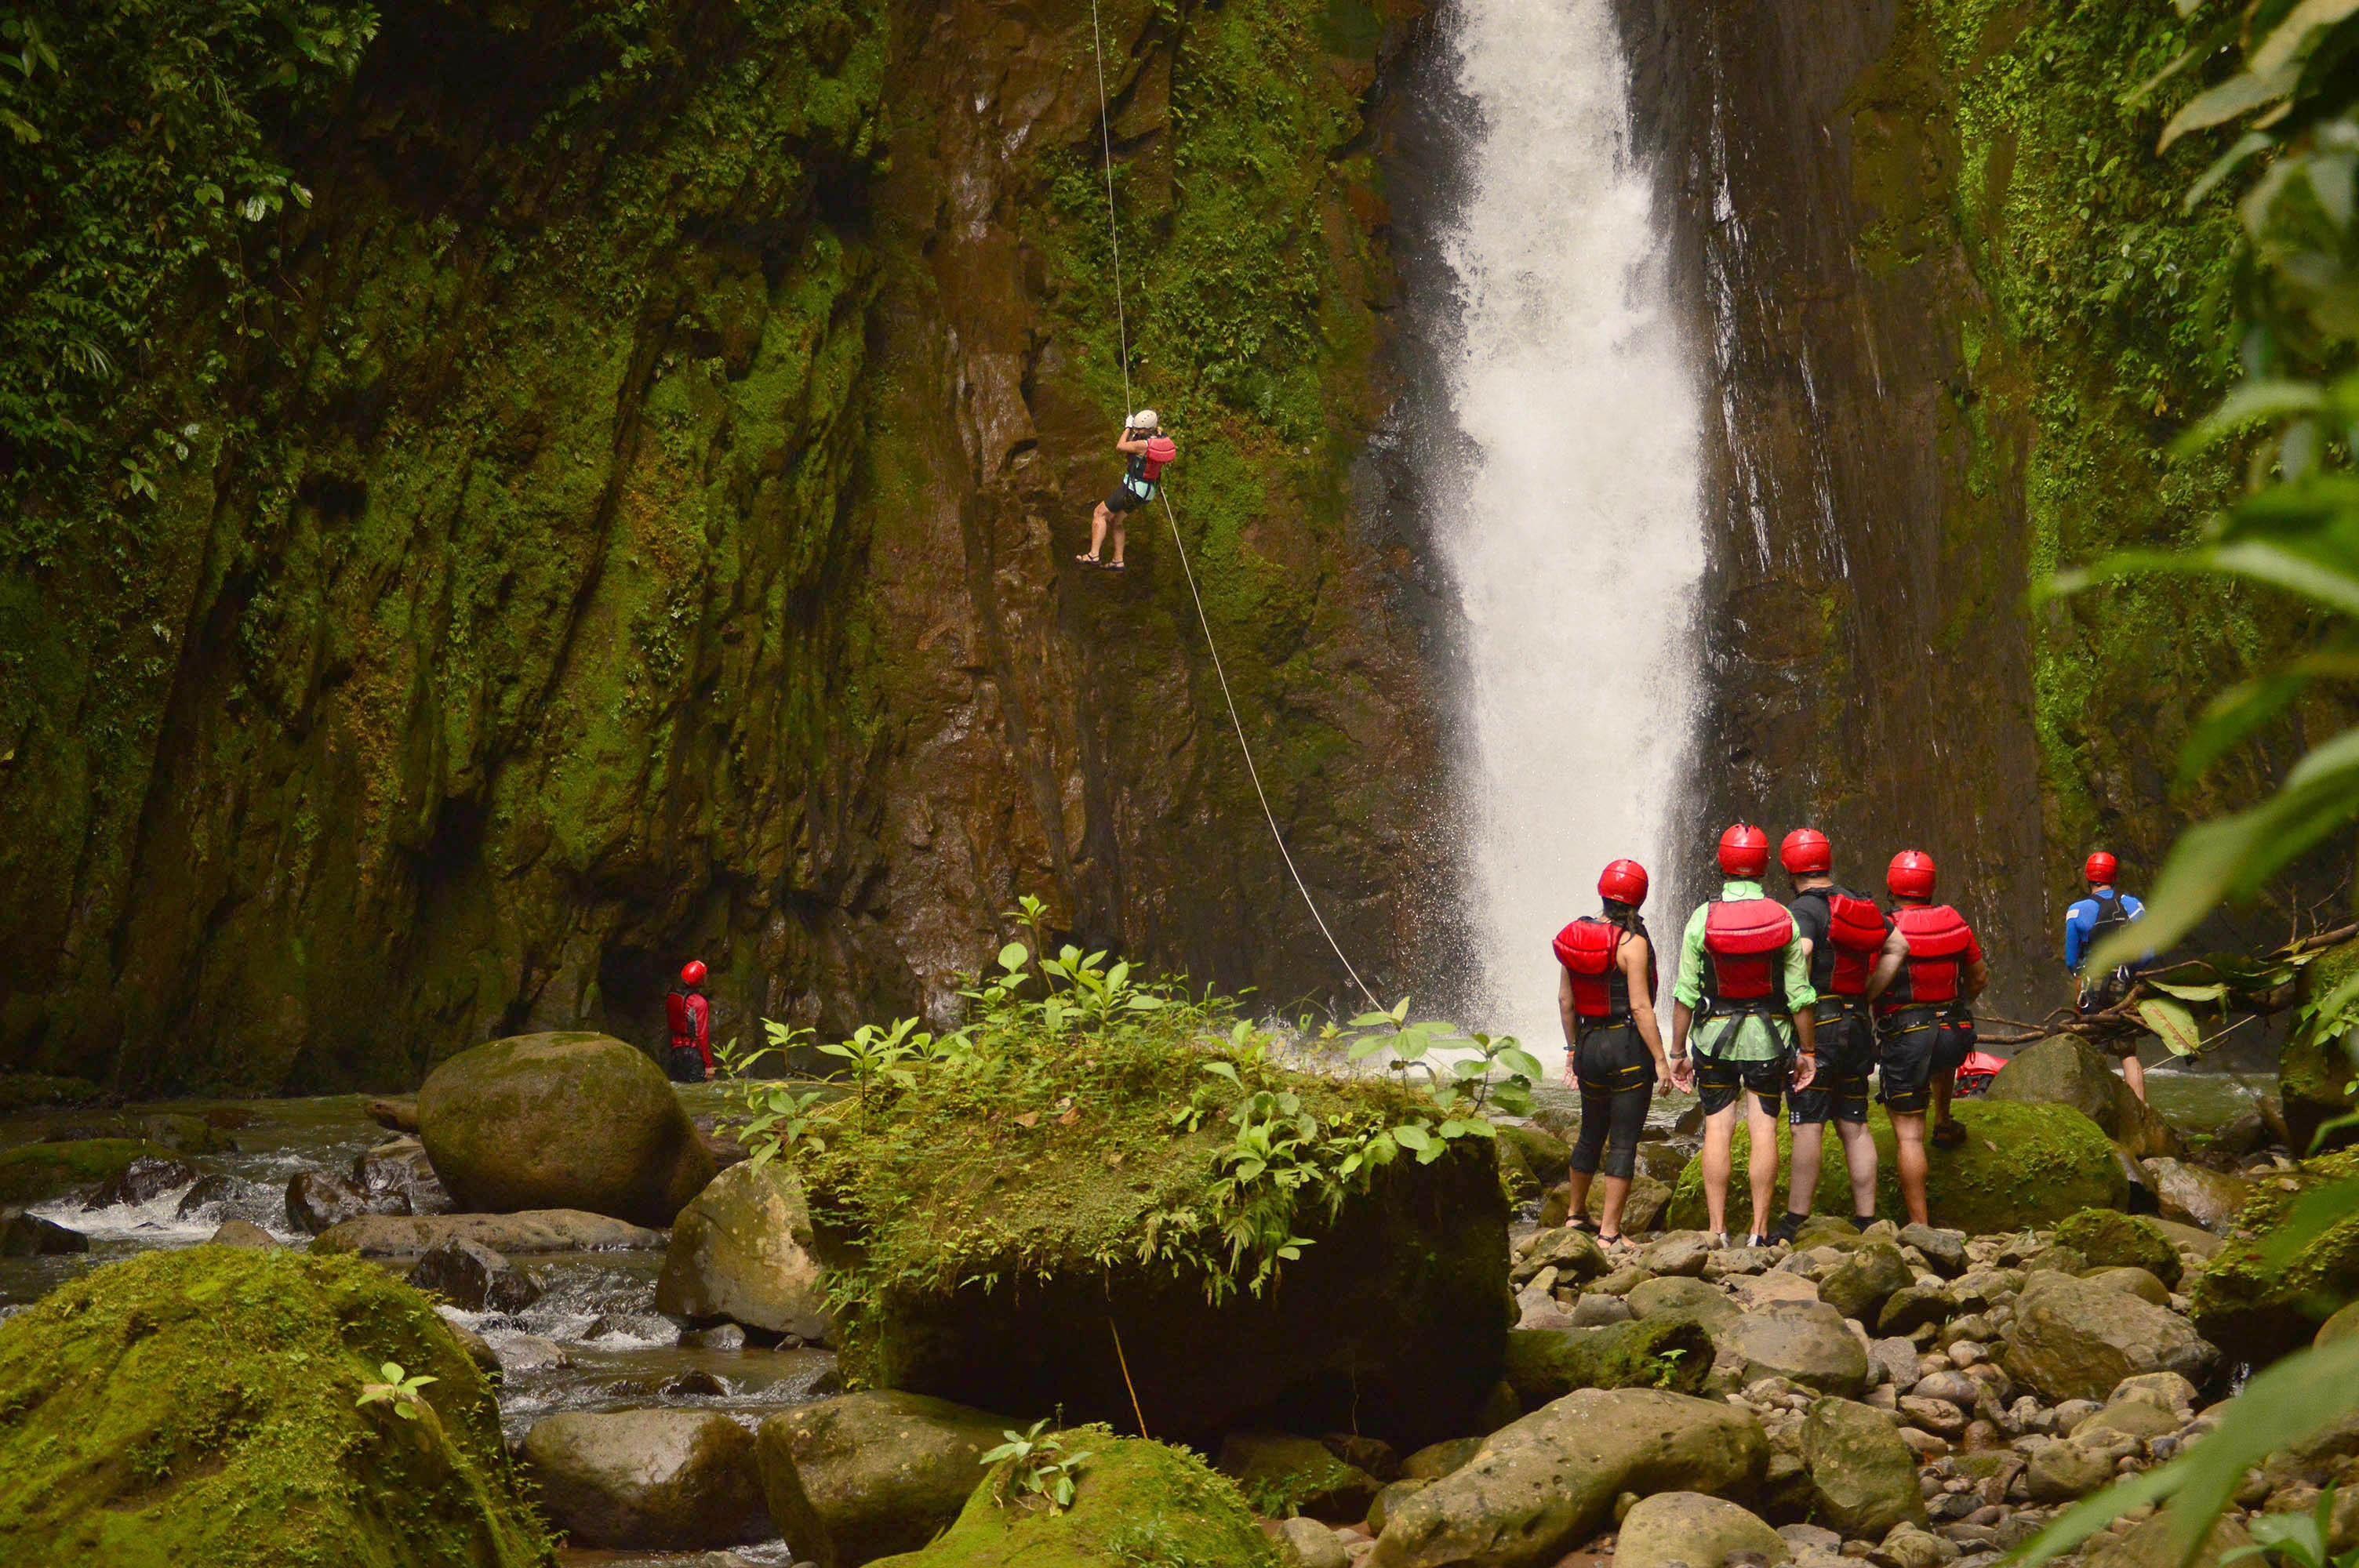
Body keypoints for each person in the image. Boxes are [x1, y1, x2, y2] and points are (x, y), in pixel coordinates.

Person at [1668, 823, 1817, 1248]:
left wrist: (1678, 1051)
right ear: (1766, 865)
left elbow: (1684, 993)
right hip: (1770, 1041)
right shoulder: (1782, 916)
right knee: (1763, 1129)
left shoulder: (1703, 917)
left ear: (1722, 863)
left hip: (1713, 1039)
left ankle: (1717, 1231)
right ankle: (1759, 1231)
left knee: (1717, 1129)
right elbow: (1800, 996)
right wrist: (1807, 1050)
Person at [1766, 828, 1910, 1241]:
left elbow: (1804, 953)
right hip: (1857, 1022)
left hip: (1821, 1022)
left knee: (1807, 1122)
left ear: (1791, 867)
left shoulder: (1803, 909)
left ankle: (1795, 1220)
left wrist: (1793, 1000)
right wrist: (1867, 993)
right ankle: (1866, 1220)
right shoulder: (1859, 902)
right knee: (1855, 1122)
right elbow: (1898, 944)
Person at [1552, 858, 1671, 1247]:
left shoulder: (1574, 936)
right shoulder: (1631, 944)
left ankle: (1574, 1215)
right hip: (1625, 1046)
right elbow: (1640, 1007)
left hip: (1588, 1043)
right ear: (1639, 899)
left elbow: (1565, 1000)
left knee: (1590, 1132)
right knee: (1622, 1140)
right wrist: (1659, 1058)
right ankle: (1609, 1233)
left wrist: (1572, 1049)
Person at [1875, 851, 1989, 1226]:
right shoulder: (1954, 921)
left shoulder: (1885, 927)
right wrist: (1960, 1004)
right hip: (1954, 1033)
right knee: (1939, 1052)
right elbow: (1978, 977)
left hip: (1908, 1034)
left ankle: (1920, 1226)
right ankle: (1944, 1120)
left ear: (1892, 884)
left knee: (1909, 1137)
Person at [2066, 850, 2150, 1101]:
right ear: (2114, 876)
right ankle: (2141, 1109)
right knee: (2127, 1051)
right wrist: (2131, 970)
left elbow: (2072, 960)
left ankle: (2094, 1108)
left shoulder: (2077, 911)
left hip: (2092, 990)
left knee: (2092, 1048)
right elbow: (2149, 951)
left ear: (2088, 877)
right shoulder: (2134, 907)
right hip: (2124, 987)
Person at [1077, 412, 1176, 572]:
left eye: (1139, 429)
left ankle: (1093, 555)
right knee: (1117, 521)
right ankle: (1118, 560)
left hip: (1132, 489)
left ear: (1146, 429)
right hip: (1146, 491)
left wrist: (1128, 427)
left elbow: (1120, 446)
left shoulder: (1143, 445)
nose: (1137, 431)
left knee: (1099, 513)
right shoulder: (1159, 437)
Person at [664, 960, 715, 1083]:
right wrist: (709, 1065)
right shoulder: (699, 1003)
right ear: (701, 980)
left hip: (676, 1051)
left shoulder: (672, 997)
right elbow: (702, 1036)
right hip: (693, 1054)